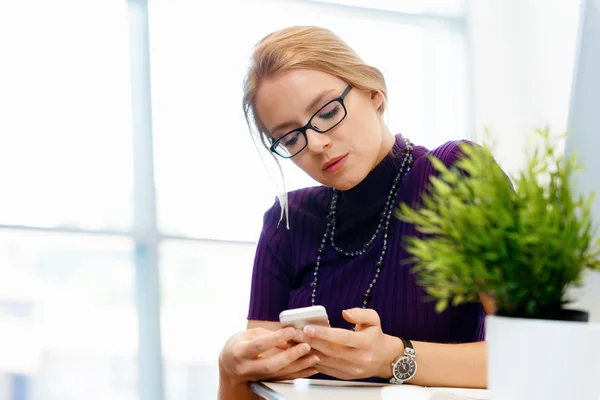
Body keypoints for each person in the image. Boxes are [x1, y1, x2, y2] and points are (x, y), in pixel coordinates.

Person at [218, 25, 495, 400]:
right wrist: (230, 369)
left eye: (328, 111)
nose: (316, 143)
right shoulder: (288, 221)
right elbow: (256, 387)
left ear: (373, 93)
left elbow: (535, 353)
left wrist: (395, 359)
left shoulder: (454, 173)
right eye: (291, 137)